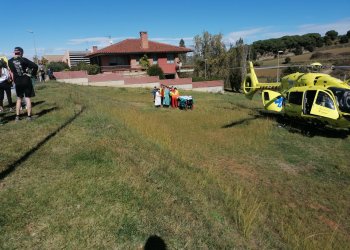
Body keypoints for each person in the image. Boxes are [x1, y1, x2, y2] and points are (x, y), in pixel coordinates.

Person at [8, 47, 38, 121]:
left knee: (19, 99)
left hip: (17, 81)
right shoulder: (24, 59)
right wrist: (31, 74)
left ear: (14, 52)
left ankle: (17, 117)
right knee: (27, 98)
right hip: (25, 80)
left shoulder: (10, 61)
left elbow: (12, 70)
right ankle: (29, 117)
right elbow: (35, 66)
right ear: (21, 52)